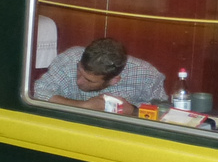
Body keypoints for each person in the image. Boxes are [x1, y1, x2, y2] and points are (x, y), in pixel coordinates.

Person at [32, 36, 165, 113]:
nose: (79, 81)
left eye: (89, 81)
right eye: (79, 71)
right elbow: (36, 92)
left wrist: (133, 111)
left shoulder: (147, 75)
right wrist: (83, 106)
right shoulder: (69, 59)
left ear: (114, 80)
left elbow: (165, 114)